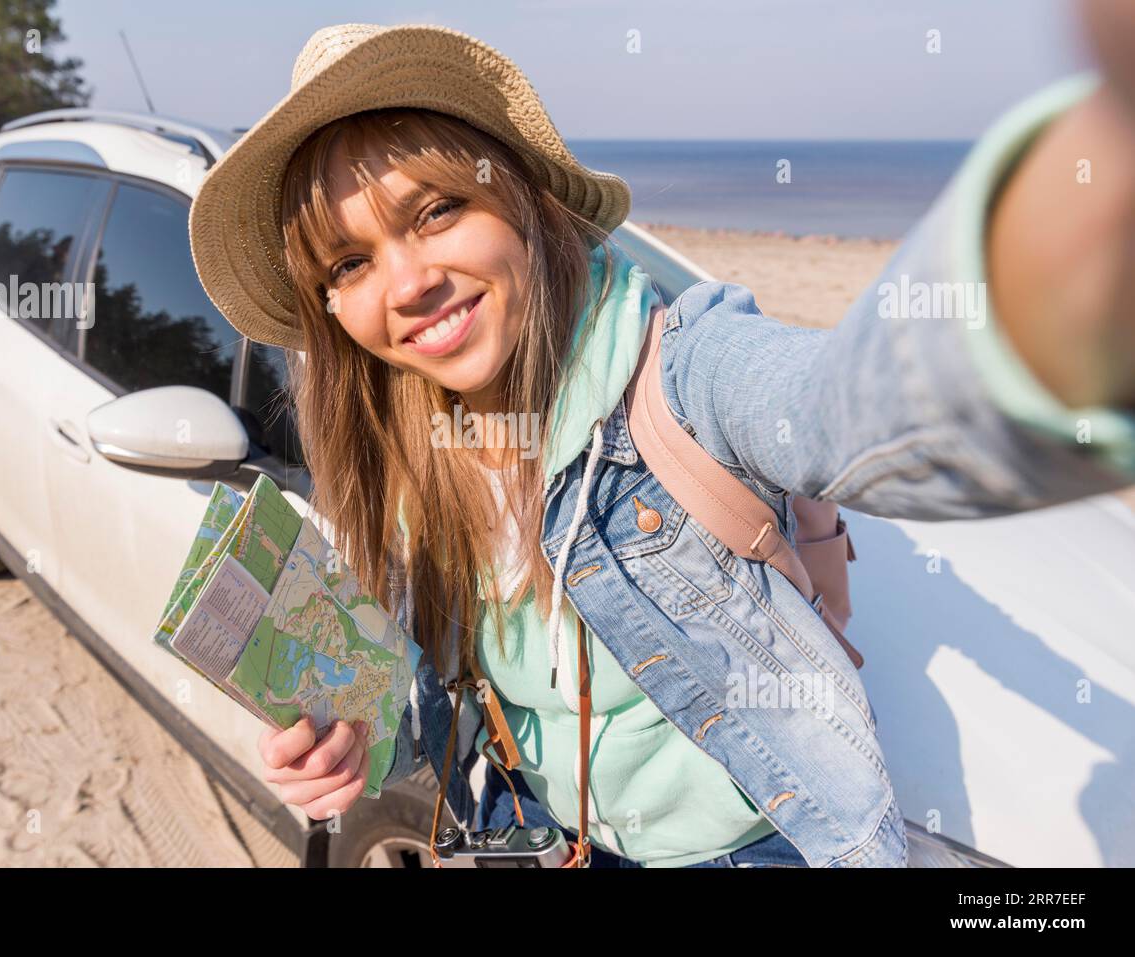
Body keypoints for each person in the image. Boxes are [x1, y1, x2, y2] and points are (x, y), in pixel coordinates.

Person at [189, 14, 1135, 867]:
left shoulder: (686, 372)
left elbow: (844, 408)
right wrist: (358, 736)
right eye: (351, 263)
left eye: (436, 210)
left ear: (518, 198)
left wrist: (1052, 275)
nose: (405, 285)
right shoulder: (408, 459)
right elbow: (437, 694)